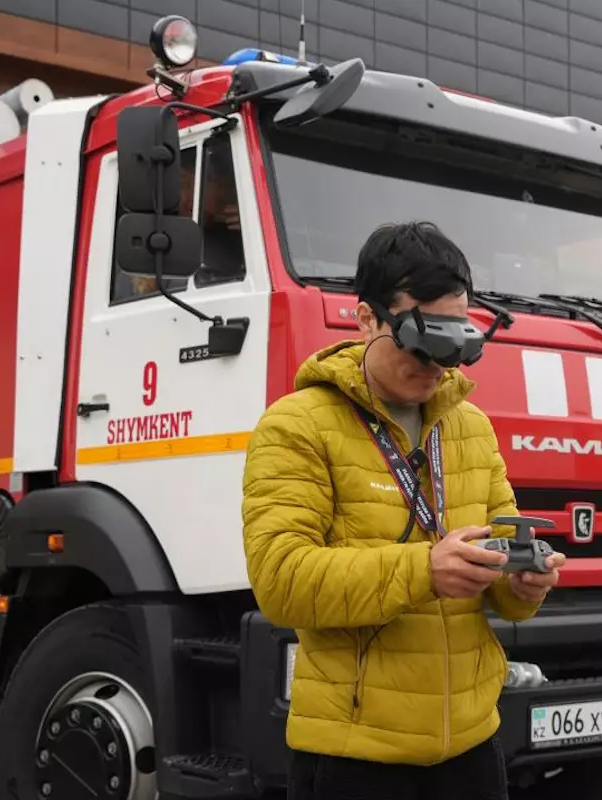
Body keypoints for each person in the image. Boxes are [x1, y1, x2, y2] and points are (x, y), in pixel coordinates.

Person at [241, 221, 567, 799]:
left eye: (453, 342)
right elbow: (281, 582)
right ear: (366, 317)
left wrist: (524, 584)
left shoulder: (470, 428)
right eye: (422, 340)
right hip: (355, 754)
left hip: (470, 748)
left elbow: (502, 597)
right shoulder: (296, 425)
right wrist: (424, 570)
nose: (437, 363)